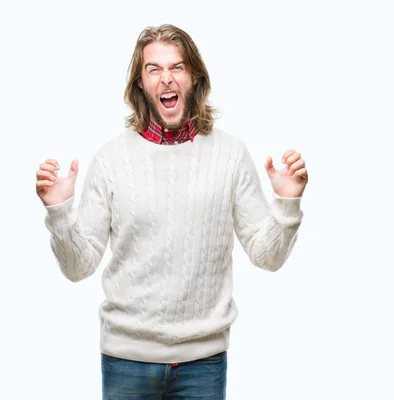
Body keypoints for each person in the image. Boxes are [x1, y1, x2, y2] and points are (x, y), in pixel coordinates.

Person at [35, 24, 307, 400]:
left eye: (177, 67)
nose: (166, 79)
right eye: (154, 69)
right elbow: (77, 267)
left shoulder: (229, 155)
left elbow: (268, 256)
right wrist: (59, 213)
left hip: (204, 363)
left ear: (194, 77)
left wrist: (288, 204)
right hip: (126, 361)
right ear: (140, 83)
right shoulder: (111, 160)